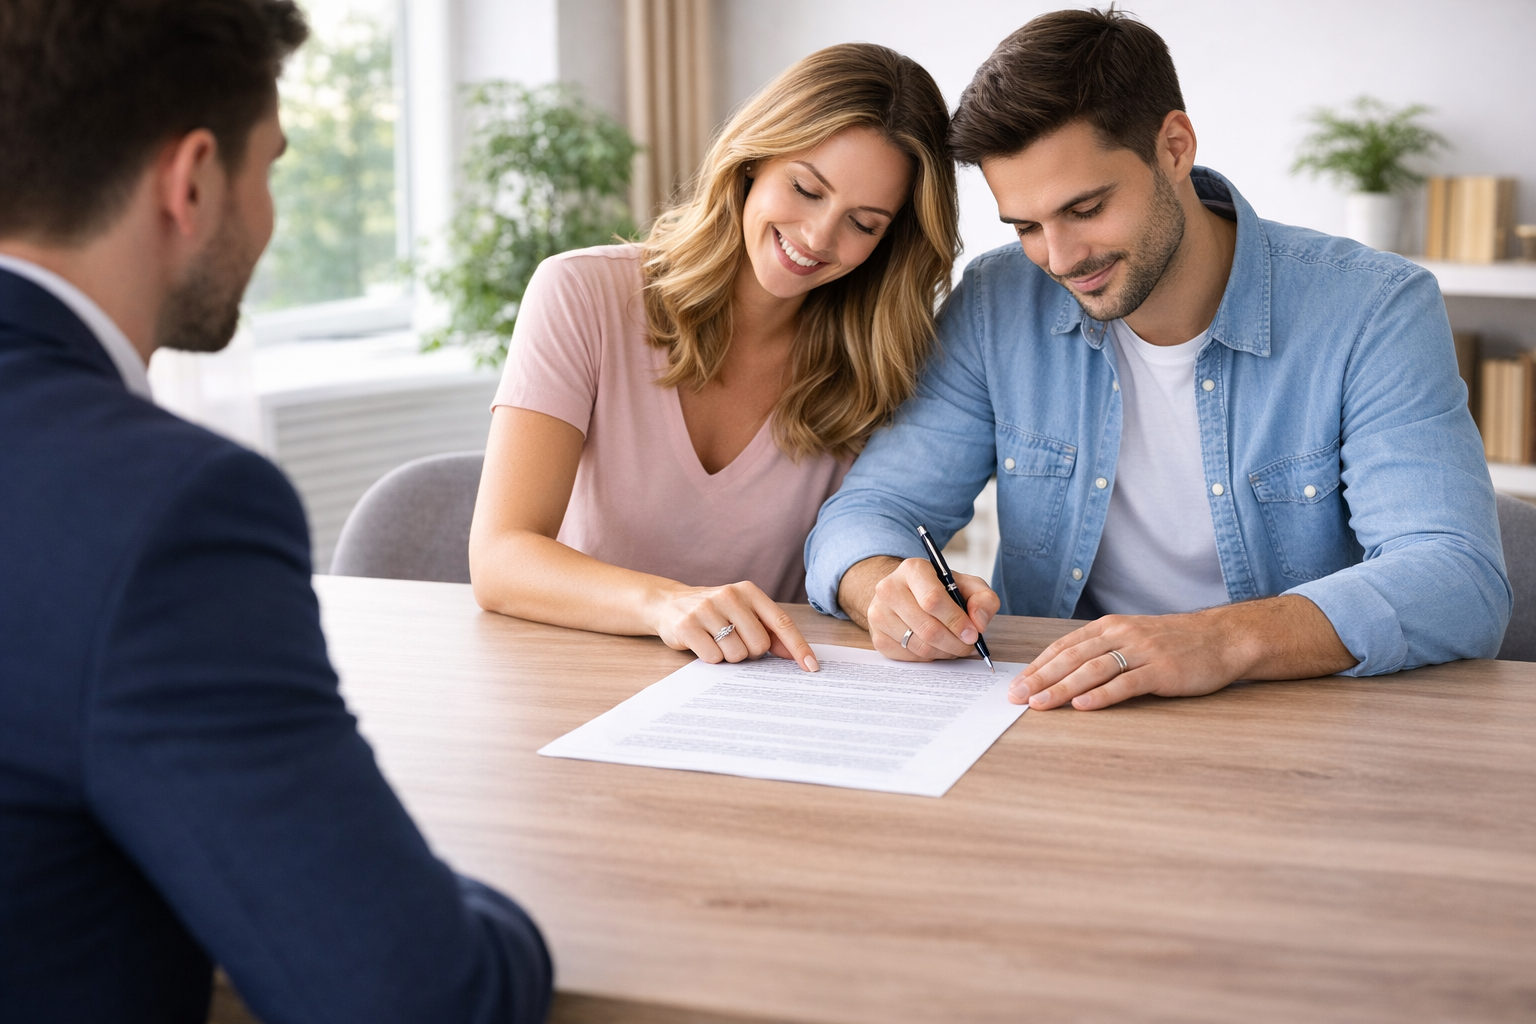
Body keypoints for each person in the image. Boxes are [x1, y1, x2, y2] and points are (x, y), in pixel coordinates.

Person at [0, 2, 550, 1021]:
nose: (267, 211)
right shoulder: (164, 510)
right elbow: (420, 995)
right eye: (273, 167)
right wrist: (462, 891)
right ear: (194, 180)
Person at [805, 8, 1509, 711]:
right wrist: (885, 586)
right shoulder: (997, 304)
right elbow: (871, 510)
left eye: (1085, 208)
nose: (1059, 257)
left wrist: (1221, 640)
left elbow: (1458, 579)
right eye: (1025, 225)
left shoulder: (1372, 309)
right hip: (1061, 717)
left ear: (1173, 147)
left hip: (1296, 722)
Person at [469, 44, 959, 672]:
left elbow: (868, 541)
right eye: (806, 189)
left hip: (763, 696)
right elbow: (501, 559)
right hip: (578, 677)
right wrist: (667, 605)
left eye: (863, 224)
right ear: (753, 160)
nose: (817, 238)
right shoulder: (581, 293)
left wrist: (912, 598)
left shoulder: (881, 361)